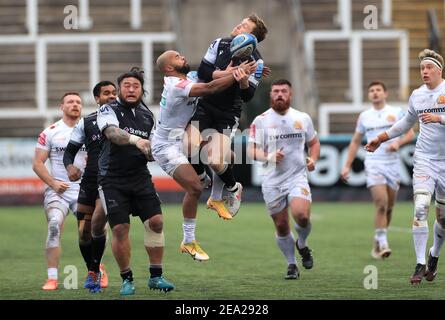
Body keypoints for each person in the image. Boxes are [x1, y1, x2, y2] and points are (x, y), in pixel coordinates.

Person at [153, 50, 250, 261]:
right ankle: (188, 241)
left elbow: (214, 76)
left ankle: (215, 197)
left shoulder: (191, 77)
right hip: (167, 145)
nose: (183, 56)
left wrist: (238, 72)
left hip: (185, 136)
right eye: (177, 57)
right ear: (169, 68)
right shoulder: (174, 85)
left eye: (181, 54)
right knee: (195, 188)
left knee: (228, 156)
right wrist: (236, 75)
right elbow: (210, 87)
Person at [365, 49, 445, 284]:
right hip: (425, 160)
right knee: (420, 207)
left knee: (442, 219)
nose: (425, 72)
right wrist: (381, 138)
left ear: (439, 70)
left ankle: (433, 256)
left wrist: (440, 118)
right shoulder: (417, 95)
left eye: (429, 68)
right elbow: (405, 123)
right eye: (422, 68)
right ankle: (420, 263)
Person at [97, 68, 174, 295]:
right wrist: (136, 141)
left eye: (136, 86)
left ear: (142, 90)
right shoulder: (107, 109)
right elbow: (112, 133)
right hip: (111, 179)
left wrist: (152, 152)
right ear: (119, 89)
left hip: (139, 177)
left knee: (157, 221)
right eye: (127, 85)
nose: (131, 89)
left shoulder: (147, 115)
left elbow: (152, 147)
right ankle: (126, 279)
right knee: (120, 228)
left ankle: (156, 276)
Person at [190, 13, 269, 219]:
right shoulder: (220, 43)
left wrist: (242, 81)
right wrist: (229, 73)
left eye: (244, 26)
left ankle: (234, 188)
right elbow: (203, 72)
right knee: (189, 145)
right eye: (241, 23)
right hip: (205, 104)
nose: (238, 26)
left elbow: (248, 95)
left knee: (216, 161)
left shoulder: (257, 63)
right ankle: (202, 177)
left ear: (251, 38)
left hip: (227, 114)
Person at [247, 79, 320, 280]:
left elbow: (314, 143)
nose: (279, 94)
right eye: (276, 91)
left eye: (284, 91)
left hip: (297, 177)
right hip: (272, 181)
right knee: (281, 225)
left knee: (302, 216)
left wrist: (313, 159)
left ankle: (302, 244)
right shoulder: (260, 120)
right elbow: (251, 149)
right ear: (271, 95)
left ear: (291, 94)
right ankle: (291, 264)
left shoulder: (302, 118)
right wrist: (268, 157)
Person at [341, 81, 415, 259]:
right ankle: (382, 243)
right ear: (369, 95)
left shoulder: (396, 112)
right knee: (381, 203)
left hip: (392, 163)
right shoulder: (364, 116)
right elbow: (355, 141)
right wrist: (346, 165)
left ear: (385, 93)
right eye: (371, 90)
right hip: (374, 162)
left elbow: (410, 133)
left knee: (389, 208)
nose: (374, 93)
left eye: (378, 90)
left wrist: (398, 142)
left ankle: (379, 237)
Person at [63, 81, 117, 293]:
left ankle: (97, 270)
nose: (111, 96)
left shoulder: (125, 118)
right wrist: (69, 167)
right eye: (106, 93)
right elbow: (70, 152)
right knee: (84, 232)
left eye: (114, 92)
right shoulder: (86, 122)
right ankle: (92, 270)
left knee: (97, 224)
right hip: (89, 181)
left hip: (110, 180)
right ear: (97, 99)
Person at [32, 92, 87, 290]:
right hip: (58, 191)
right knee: (54, 225)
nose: (75, 105)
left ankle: (97, 270)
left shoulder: (89, 130)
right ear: (61, 107)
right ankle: (52, 278)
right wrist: (53, 183)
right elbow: (37, 163)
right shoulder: (51, 131)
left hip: (84, 189)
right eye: (70, 102)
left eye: (78, 102)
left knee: (90, 231)